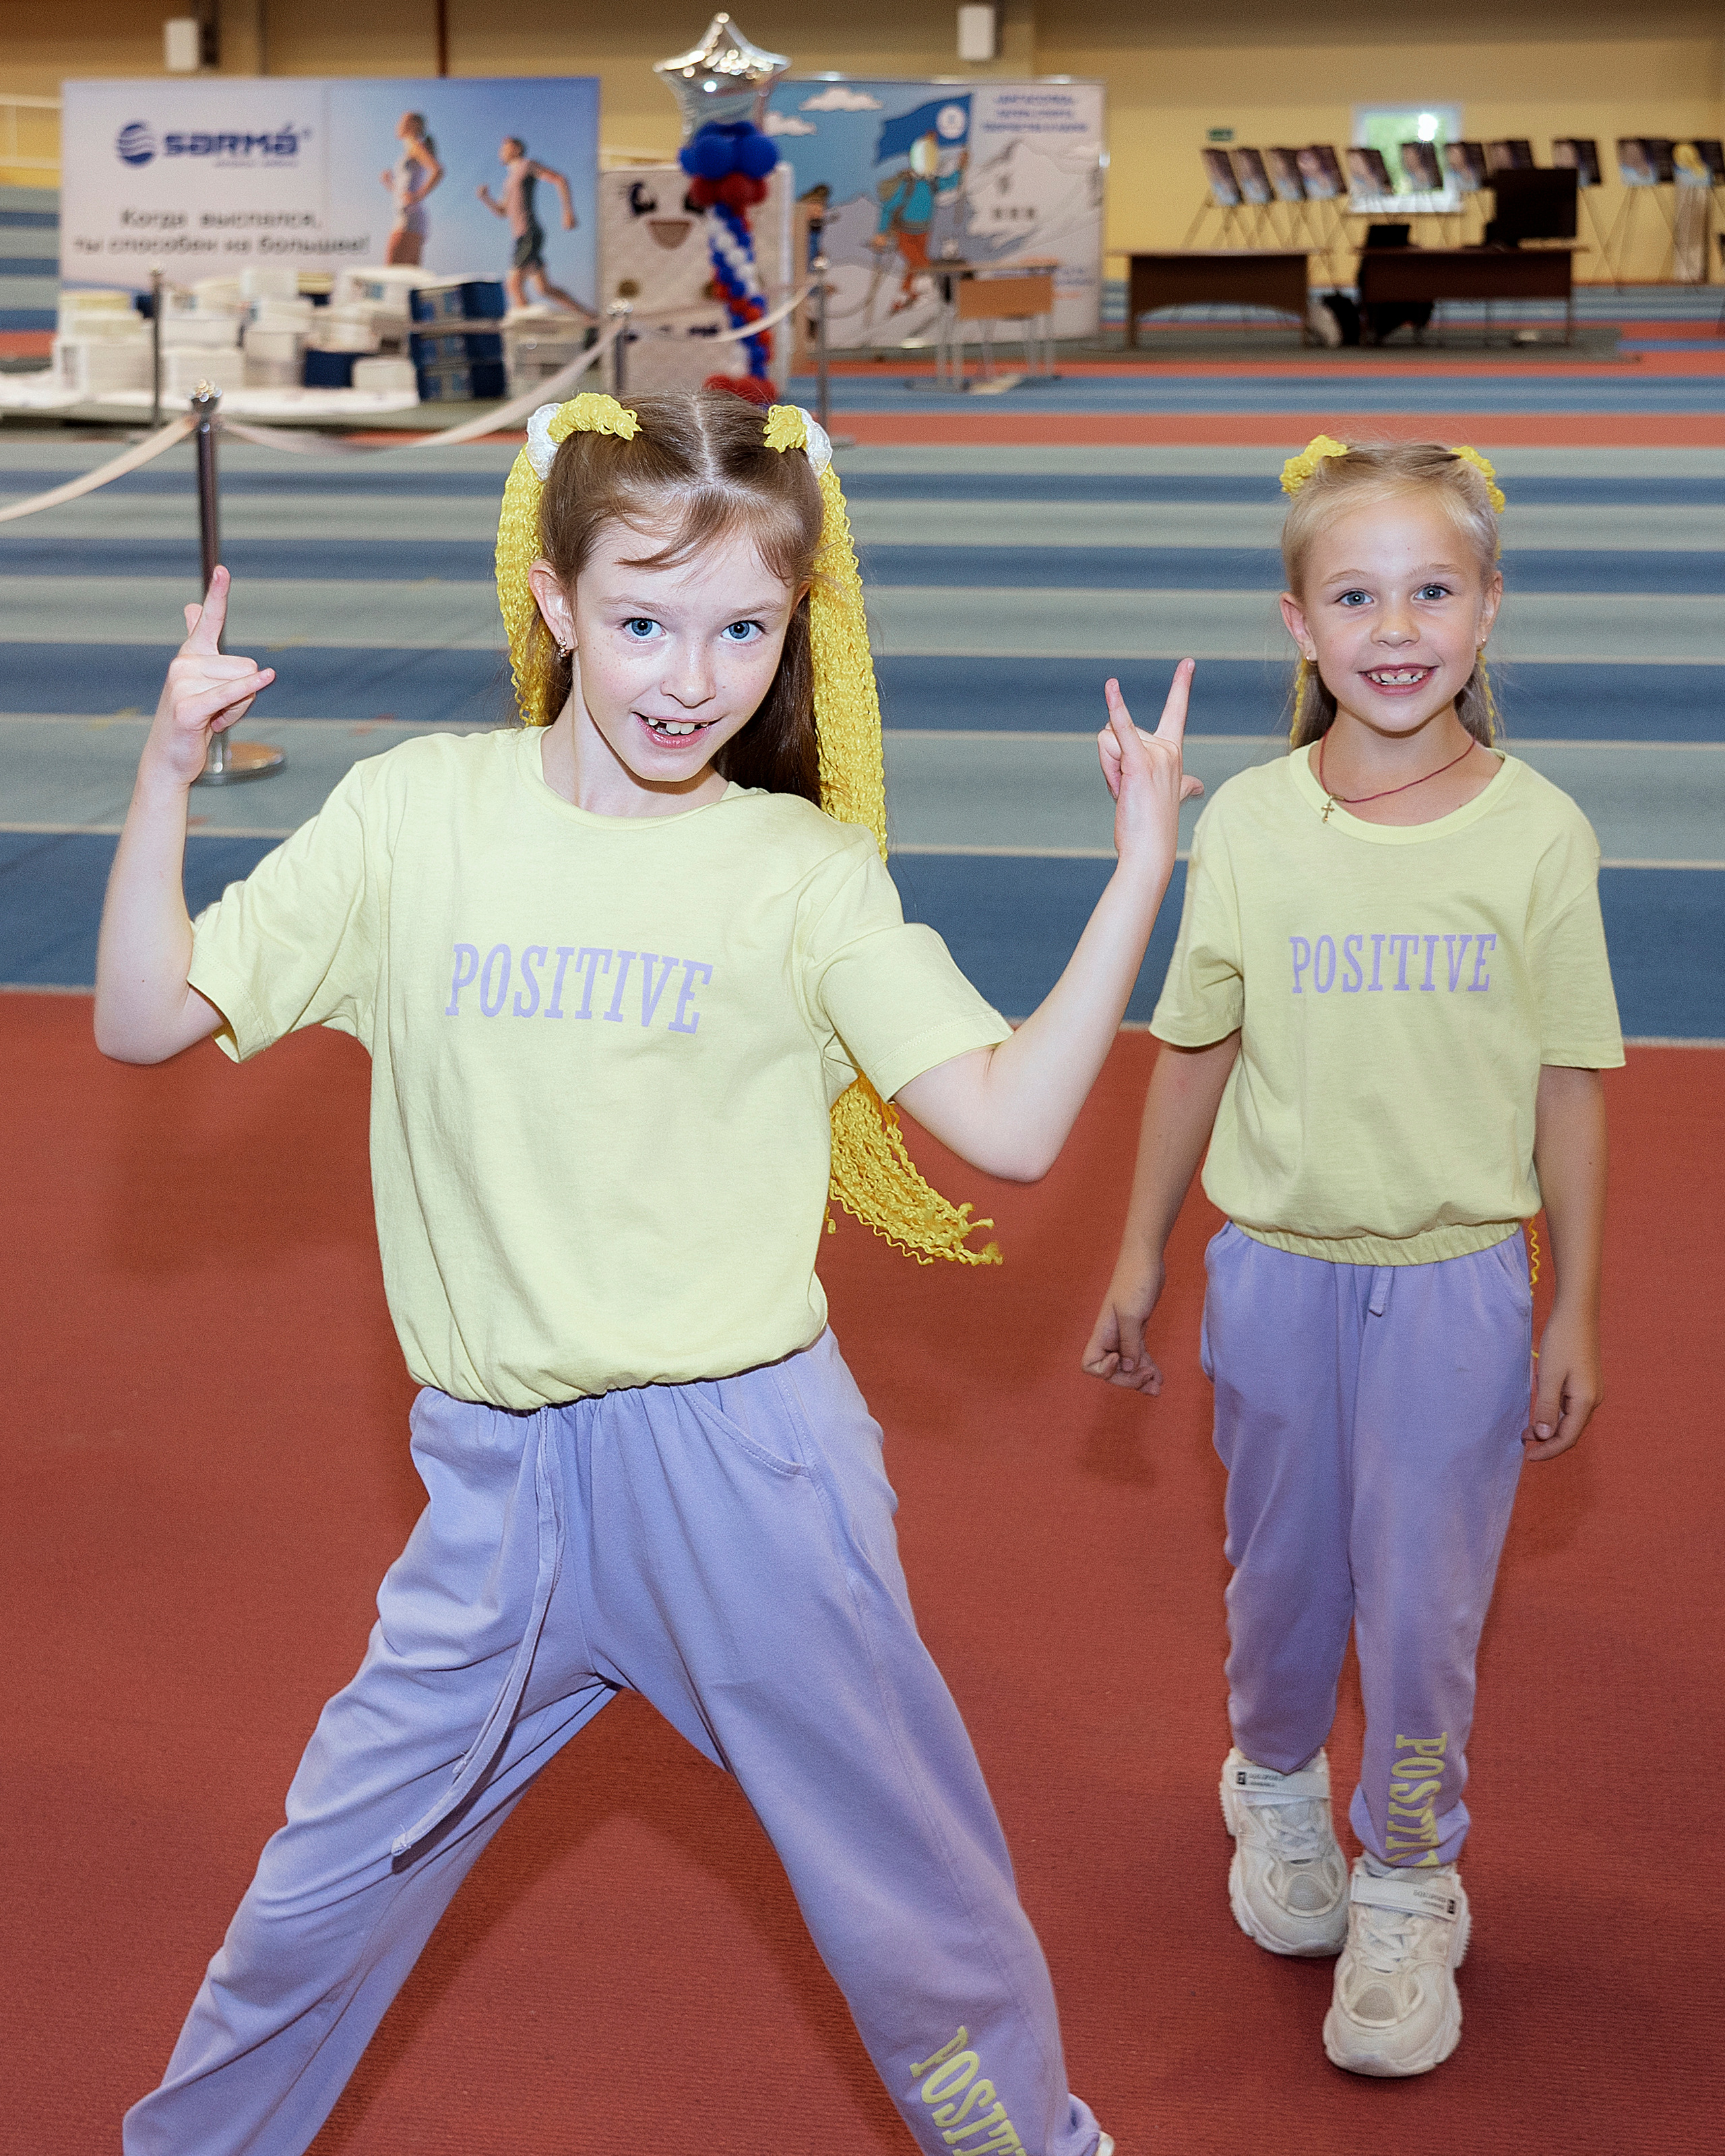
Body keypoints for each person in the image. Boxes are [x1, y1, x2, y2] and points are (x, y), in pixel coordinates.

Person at [98, 389, 1204, 2156]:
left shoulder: (802, 871)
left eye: (745, 629)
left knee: (912, 1915)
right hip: (488, 1497)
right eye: (643, 620)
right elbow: (147, 1016)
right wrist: (162, 774)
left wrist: (1143, 866)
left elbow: (1003, 1131)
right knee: (314, 1892)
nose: (695, 677)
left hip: (745, 1480)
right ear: (552, 605)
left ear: (797, 628)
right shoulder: (414, 820)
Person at [1082, 435, 1620, 2079]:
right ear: (1298, 627)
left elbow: (1568, 1077)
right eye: (1354, 593)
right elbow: (1190, 1044)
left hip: (1457, 1280)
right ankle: (1269, 1783)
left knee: (1423, 1604)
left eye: (1431, 590)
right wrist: (1134, 1255)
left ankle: (1406, 1877)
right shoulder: (1245, 820)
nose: (1396, 626)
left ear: (1485, 611)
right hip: (1273, 1273)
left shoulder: (1535, 833)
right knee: (1286, 1579)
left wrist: (1572, 1299)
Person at [478, 133, 589, 315]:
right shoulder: (508, 181)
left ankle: (528, 330)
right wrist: (486, 198)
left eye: (504, 148)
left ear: (516, 149)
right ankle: (589, 317)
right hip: (521, 236)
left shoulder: (527, 165)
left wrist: (568, 212)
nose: (500, 152)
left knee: (513, 285)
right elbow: (502, 212)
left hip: (529, 233)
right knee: (544, 289)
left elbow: (559, 179)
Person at [871, 131, 968, 313]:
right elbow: (888, 207)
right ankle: (930, 290)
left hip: (923, 232)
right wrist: (881, 233)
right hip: (905, 233)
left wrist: (961, 167)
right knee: (921, 263)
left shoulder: (932, 183)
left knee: (913, 266)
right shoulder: (906, 184)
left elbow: (952, 182)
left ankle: (902, 298)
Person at [379, 110, 441, 267]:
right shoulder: (410, 148)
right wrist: (390, 184)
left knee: (392, 275)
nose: (398, 124)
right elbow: (405, 190)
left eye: (403, 121)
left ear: (414, 126)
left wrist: (418, 196)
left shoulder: (415, 145)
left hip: (409, 219)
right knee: (406, 278)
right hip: (409, 217)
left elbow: (438, 170)